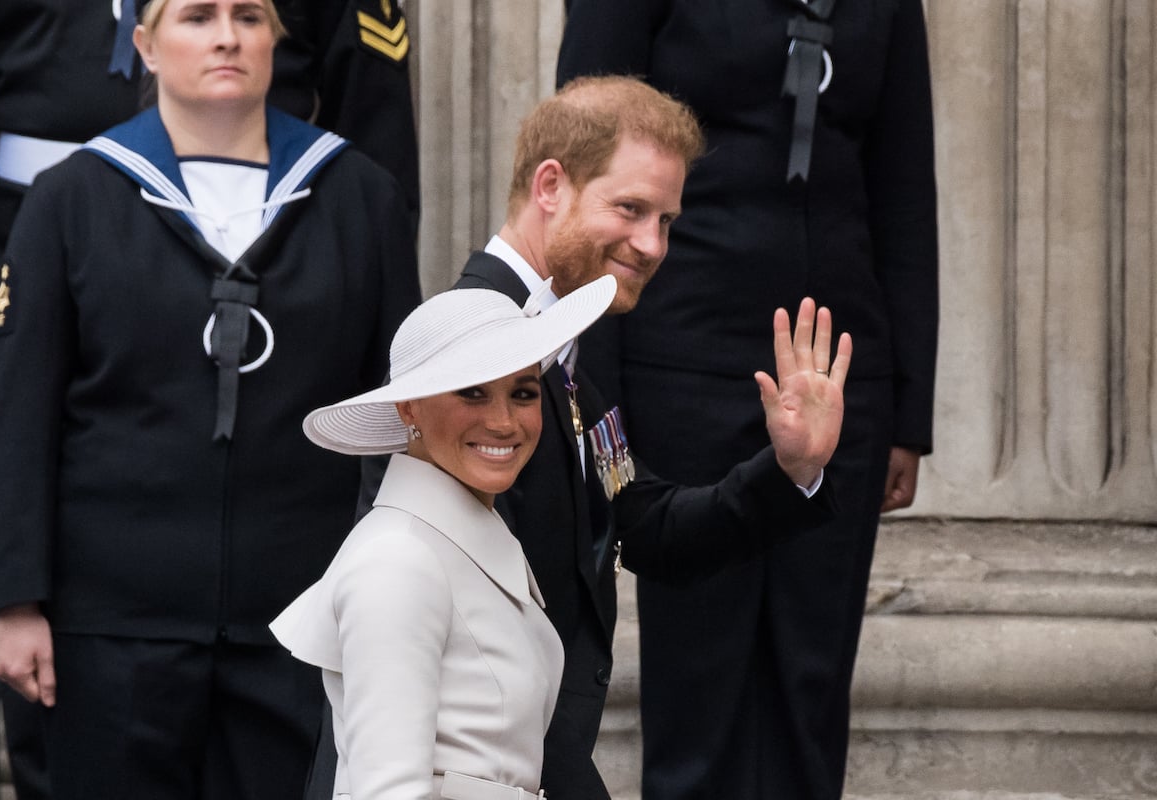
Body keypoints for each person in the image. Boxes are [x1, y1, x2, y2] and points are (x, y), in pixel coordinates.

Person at [321, 75, 851, 800]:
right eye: (630, 209)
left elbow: (643, 526)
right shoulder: (464, 355)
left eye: (666, 220)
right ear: (550, 186)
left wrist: (792, 468)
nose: (651, 244)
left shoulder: (567, 361)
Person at [0, 0, 419, 796]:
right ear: (144, 44)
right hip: (114, 629)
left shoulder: (357, 200)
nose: (227, 36)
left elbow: (390, 411)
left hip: (296, 623)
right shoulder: (70, 200)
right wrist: (17, 600)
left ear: (277, 40)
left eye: (248, 16)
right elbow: (26, 414)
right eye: (197, 16)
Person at [556, 3, 939, 798]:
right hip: (678, 365)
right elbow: (587, 182)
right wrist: (599, 403)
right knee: (697, 685)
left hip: (838, 379)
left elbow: (903, 187)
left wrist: (907, 413)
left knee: (811, 681)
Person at [272, 276, 617, 800]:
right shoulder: (398, 559)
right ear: (408, 407)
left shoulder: (455, 544)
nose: (503, 421)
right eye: (472, 392)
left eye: (522, 393)